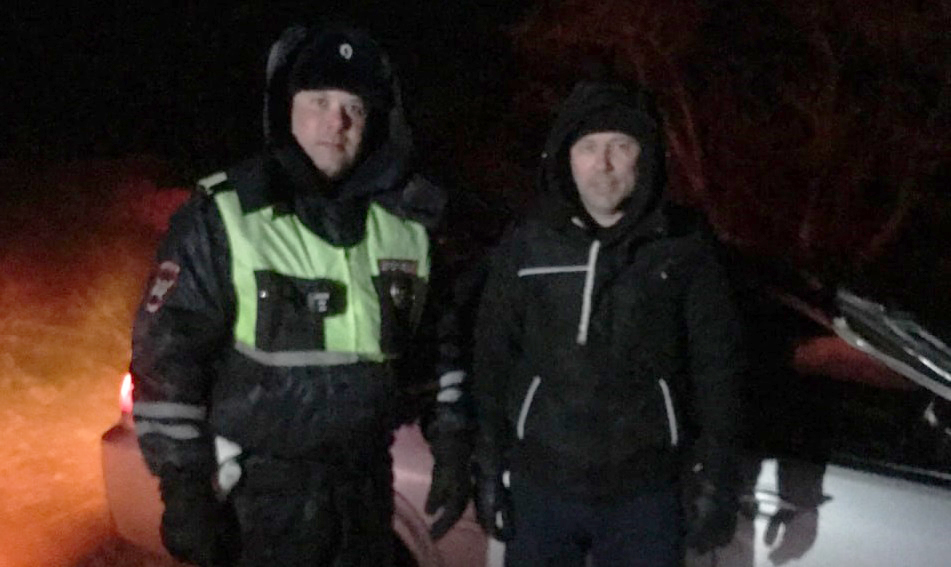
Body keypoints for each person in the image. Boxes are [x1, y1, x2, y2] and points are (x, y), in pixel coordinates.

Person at [129, 22, 473, 567]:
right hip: (257, 504)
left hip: (366, 497)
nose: (336, 122)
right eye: (319, 101)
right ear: (285, 109)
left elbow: (436, 352)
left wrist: (451, 447)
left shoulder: (406, 229)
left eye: (354, 107)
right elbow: (168, 359)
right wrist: (185, 490)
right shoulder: (226, 217)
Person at [471, 80, 746, 566]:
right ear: (565, 158)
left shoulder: (683, 248)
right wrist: (488, 468)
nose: (603, 164)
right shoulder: (528, 245)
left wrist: (718, 477)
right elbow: (492, 359)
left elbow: (717, 368)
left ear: (646, 157)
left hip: (646, 495)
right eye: (588, 147)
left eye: (621, 145)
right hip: (541, 487)